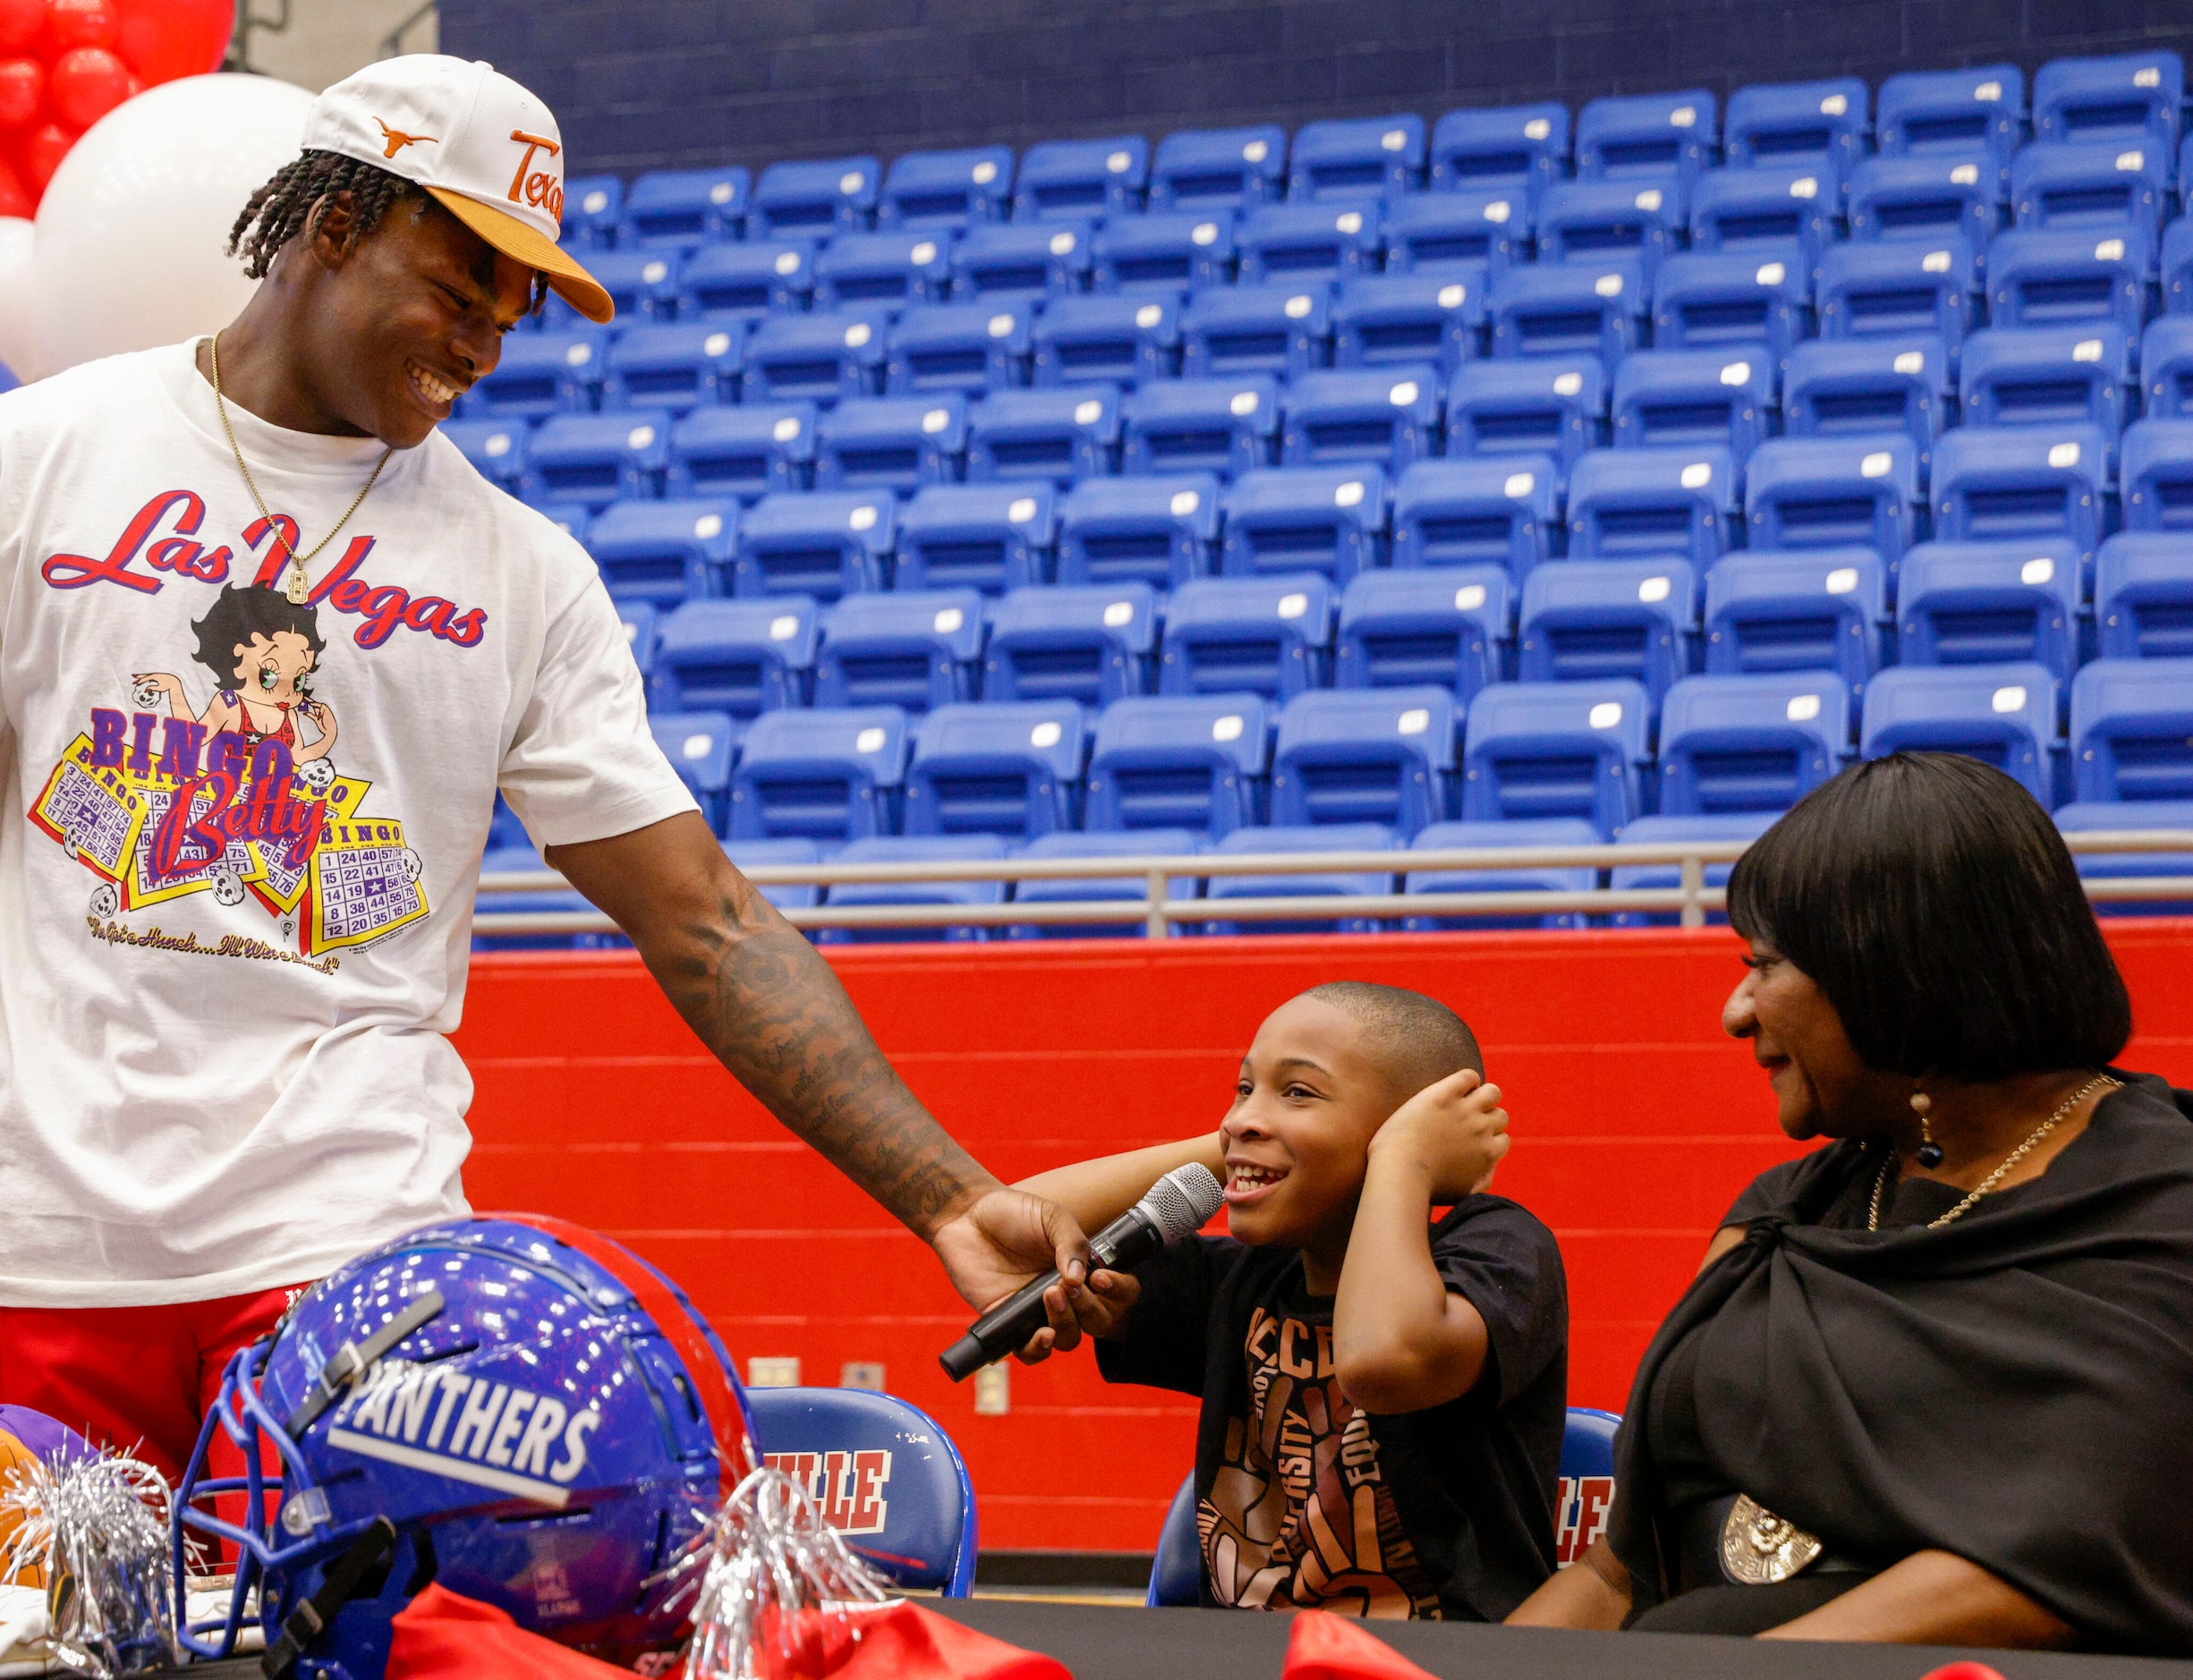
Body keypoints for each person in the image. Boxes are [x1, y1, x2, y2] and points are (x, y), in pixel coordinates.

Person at [0, 55, 1086, 1481]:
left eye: (507, 320)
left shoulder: (524, 572)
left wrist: (945, 1194)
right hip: (38, 1248)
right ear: (333, 224)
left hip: (345, 1262)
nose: (480, 350)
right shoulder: (43, 455)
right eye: (458, 294)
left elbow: (706, 923)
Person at [1507, 752, 2193, 1653]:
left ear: (1898, 969)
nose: (1734, 1011)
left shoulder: (2161, 1205)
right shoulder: (1779, 1217)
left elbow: (2053, 1569)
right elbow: (1617, 1570)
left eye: (1765, 966)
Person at [1015, 981, 1568, 1622]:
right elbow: (1018, 1232)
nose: (1239, 1116)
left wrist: (1404, 1157)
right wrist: (1239, 1147)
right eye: (1244, 1088)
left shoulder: (1496, 1248)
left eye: (1298, 1091)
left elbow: (1379, 1359)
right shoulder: (1245, 1281)